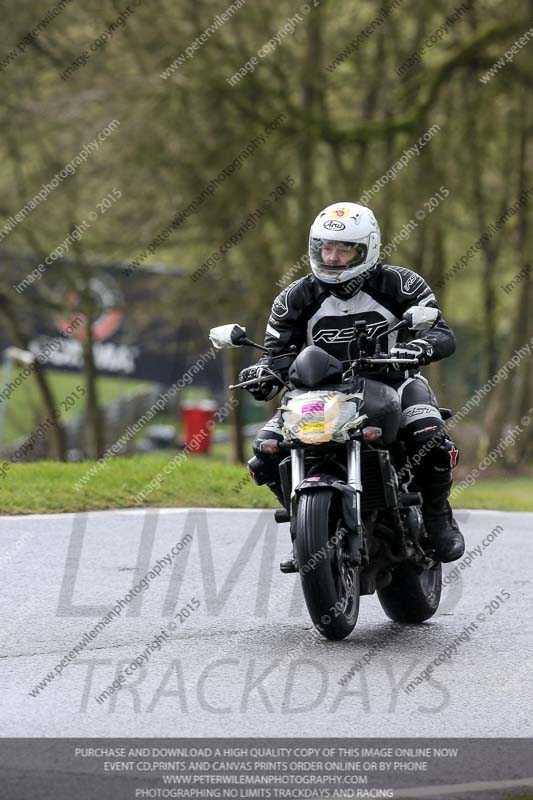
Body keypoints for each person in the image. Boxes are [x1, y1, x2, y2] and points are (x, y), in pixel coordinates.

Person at [239, 202, 465, 571]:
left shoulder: (400, 283)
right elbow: (276, 356)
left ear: (368, 249)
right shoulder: (294, 298)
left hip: (395, 382)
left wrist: (418, 347)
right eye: (325, 248)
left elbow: (441, 333)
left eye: (344, 249)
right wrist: (264, 377)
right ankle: (304, 525)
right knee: (265, 452)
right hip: (315, 395)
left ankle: (438, 517)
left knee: (429, 436)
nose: (332, 257)